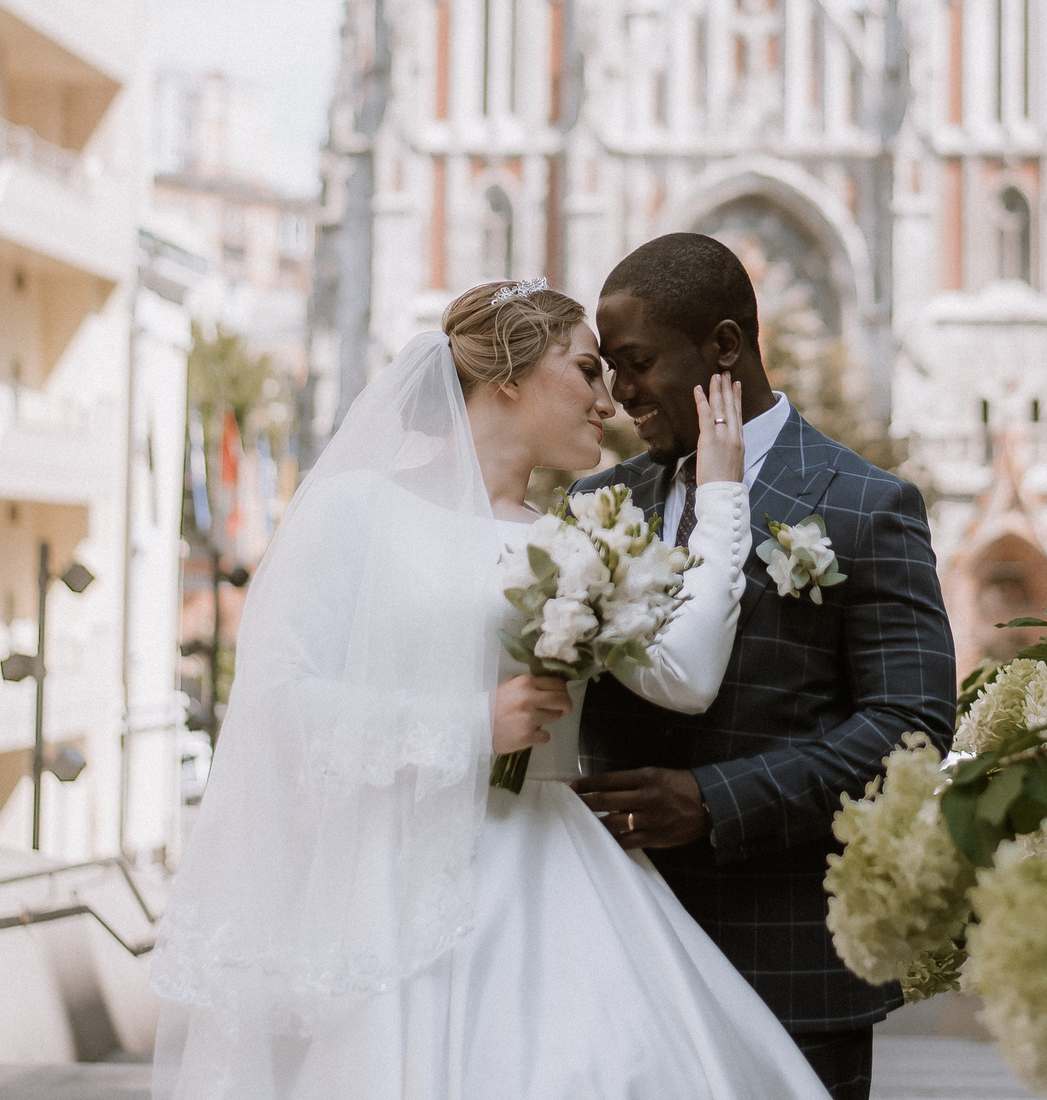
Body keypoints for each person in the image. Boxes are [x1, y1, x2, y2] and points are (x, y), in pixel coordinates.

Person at [152, 279, 832, 1100]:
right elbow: (278, 702)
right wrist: (471, 723)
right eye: (585, 370)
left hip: (556, 889)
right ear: (508, 374)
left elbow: (685, 677)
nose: (608, 402)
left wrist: (724, 494)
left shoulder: (573, 541)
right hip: (391, 891)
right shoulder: (354, 510)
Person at [573, 233, 959, 1100]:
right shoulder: (596, 504)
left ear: (723, 346)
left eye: (637, 362)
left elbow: (912, 725)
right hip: (613, 956)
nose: (619, 391)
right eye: (607, 368)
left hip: (783, 963)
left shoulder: (865, 504)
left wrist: (715, 801)